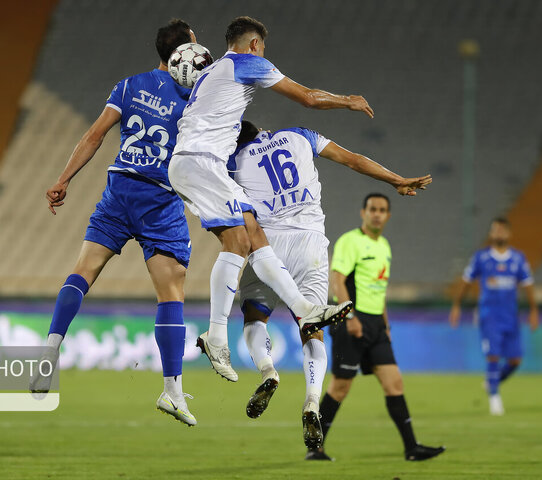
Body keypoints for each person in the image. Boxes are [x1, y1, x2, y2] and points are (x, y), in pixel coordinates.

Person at [168, 16, 373, 381]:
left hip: (194, 162)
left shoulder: (213, 71)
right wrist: (348, 101)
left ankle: (300, 310)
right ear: (255, 45)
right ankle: (216, 336)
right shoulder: (249, 63)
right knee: (237, 243)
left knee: (251, 238)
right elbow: (308, 98)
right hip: (203, 162)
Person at [30, 19, 198, 426]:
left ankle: (51, 350)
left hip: (120, 189)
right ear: (185, 53)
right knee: (171, 291)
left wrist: (63, 179)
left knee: (82, 271)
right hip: (159, 200)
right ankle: (172, 392)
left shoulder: (128, 86)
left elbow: (94, 135)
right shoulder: (193, 97)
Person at [230, 121, 432, 454]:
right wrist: (396, 180)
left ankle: (267, 369)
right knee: (313, 328)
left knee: (254, 316)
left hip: (267, 243)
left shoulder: (233, 160)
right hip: (311, 244)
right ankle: (311, 401)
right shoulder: (300, 135)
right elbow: (352, 159)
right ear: (262, 129)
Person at [307, 193, 445, 461]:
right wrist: (350, 317)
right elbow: (338, 281)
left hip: (376, 326)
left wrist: (385, 323)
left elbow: (379, 290)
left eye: (382, 210)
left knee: (394, 382)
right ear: (363, 212)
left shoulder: (384, 246)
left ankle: (411, 448)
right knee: (340, 388)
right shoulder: (350, 241)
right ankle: (315, 448)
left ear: (388, 215)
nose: (377, 214)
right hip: (351, 321)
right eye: (372, 209)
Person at [450, 217, 539, 415]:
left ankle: (492, 381)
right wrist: (456, 305)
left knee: (515, 360)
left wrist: (534, 310)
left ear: (508, 233)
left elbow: (528, 285)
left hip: (511, 316)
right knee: (493, 355)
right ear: (491, 233)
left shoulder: (518, 258)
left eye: (502, 230)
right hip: (489, 315)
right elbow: (466, 281)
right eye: (495, 230)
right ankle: (494, 398)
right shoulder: (481, 258)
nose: (499, 233)